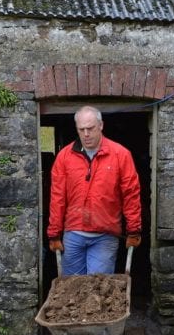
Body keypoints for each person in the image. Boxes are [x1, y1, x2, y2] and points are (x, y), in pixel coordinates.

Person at [47, 106, 142, 276]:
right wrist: (54, 233)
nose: (86, 134)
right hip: (73, 233)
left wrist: (133, 230)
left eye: (90, 129)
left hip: (105, 234)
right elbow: (57, 197)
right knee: (71, 290)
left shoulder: (120, 155)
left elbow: (130, 194)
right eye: (81, 129)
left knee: (98, 288)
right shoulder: (64, 157)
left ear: (101, 125)